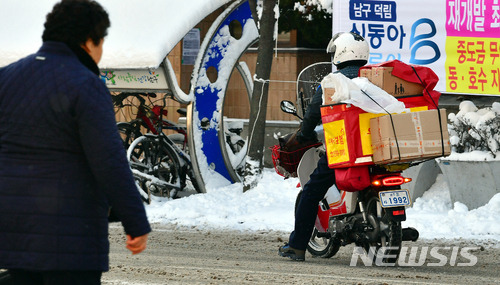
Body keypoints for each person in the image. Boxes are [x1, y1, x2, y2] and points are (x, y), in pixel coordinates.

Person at [0, 0, 151, 284]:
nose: (101, 51)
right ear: (88, 40)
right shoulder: (85, 84)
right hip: (70, 242)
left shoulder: (6, 78)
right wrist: (136, 222)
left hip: (13, 236)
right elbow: (109, 160)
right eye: (101, 41)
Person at [278, 32, 370, 261]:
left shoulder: (332, 82)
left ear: (341, 53)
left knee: (310, 192)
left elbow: (311, 116)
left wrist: (303, 135)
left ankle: (297, 246)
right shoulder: (375, 78)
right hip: (376, 149)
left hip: (344, 150)